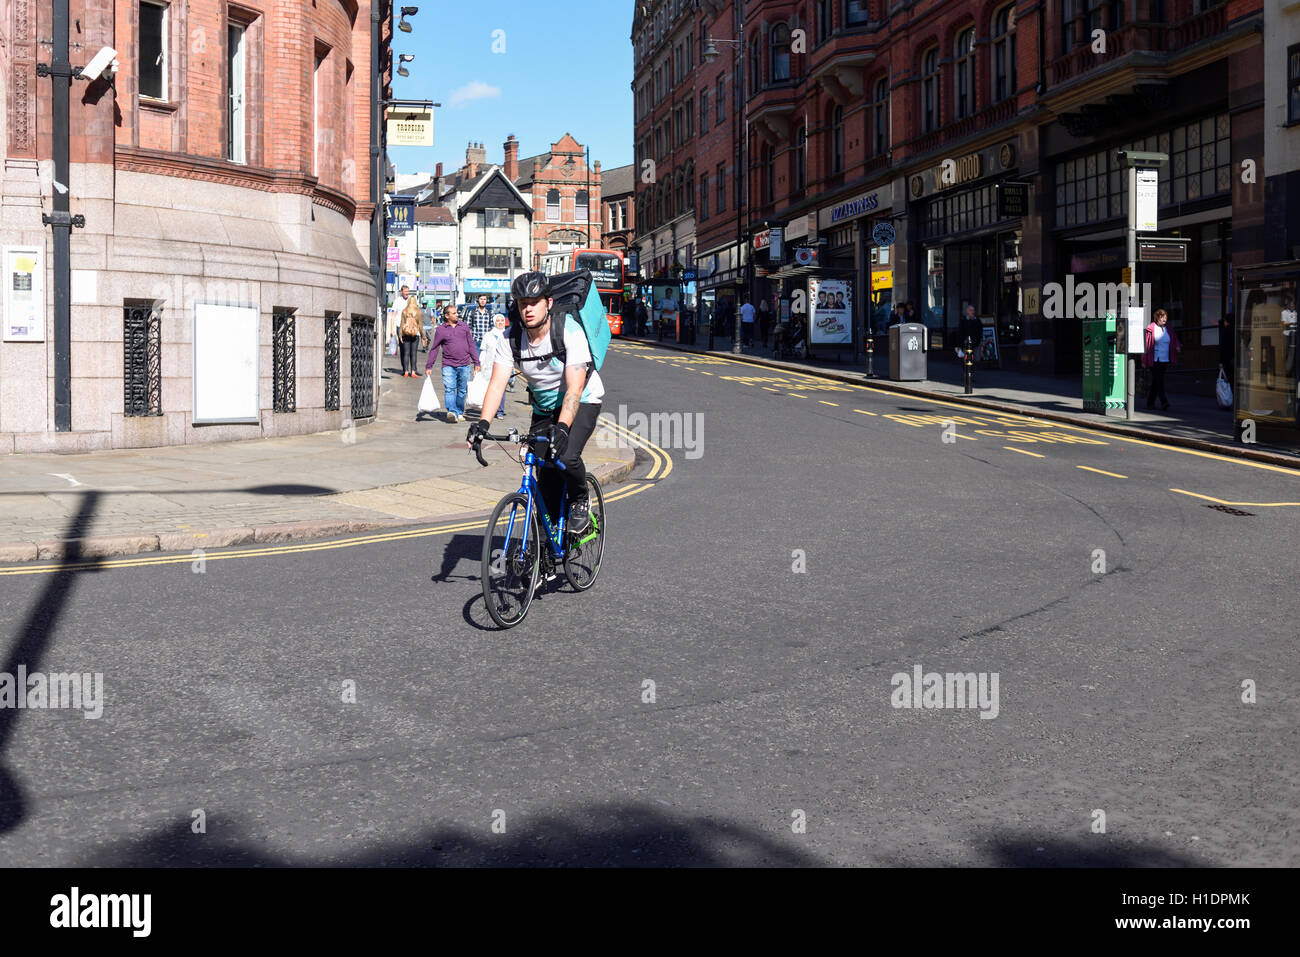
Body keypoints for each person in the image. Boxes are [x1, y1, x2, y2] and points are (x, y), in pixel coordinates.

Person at [467, 271, 605, 536]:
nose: (528, 309)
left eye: (534, 302)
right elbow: (496, 385)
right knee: (543, 476)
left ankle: (579, 499)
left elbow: (575, 389)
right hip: (543, 407)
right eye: (522, 303)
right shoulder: (509, 339)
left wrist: (563, 427)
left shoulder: (568, 331)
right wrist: (482, 424)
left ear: (548, 303)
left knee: (565, 455)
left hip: (583, 399)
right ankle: (546, 554)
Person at [425, 303, 481, 423]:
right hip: (448, 365)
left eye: (457, 312)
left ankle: (459, 411)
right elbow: (434, 348)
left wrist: (477, 362)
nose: (457, 315)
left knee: (462, 391)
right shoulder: (441, 330)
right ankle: (452, 411)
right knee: (449, 389)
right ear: (447, 316)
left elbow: (471, 345)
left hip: (465, 364)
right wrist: (429, 365)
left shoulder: (464, 327)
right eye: (454, 313)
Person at [1142, 307, 1181, 410]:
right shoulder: (1151, 328)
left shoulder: (1168, 328)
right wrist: (1143, 360)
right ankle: (1164, 402)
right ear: (1157, 318)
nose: (1164, 319)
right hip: (1154, 359)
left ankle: (1150, 403)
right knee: (1159, 381)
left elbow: (1174, 338)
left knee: (1156, 381)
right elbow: (1145, 345)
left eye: (1165, 317)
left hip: (1165, 359)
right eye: (1162, 317)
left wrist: (1177, 346)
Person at [477, 313, 511, 419]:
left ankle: (500, 411)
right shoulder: (488, 335)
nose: (500, 323)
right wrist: (480, 364)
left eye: (502, 321)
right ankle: (488, 409)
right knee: (489, 387)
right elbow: (483, 351)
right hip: (489, 365)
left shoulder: (508, 335)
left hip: (503, 365)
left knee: (502, 388)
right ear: (494, 322)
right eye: (498, 321)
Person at [398, 295, 423, 377]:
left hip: (406, 334)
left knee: (406, 353)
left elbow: (402, 324)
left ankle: (405, 371)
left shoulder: (404, 311)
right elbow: (420, 325)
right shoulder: (418, 311)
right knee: (413, 353)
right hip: (415, 335)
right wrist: (423, 336)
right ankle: (413, 372)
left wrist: (400, 335)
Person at [1218, 312, 1235, 390]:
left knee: (1228, 378)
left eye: (1225, 321)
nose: (1224, 322)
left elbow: (1223, 347)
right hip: (1234, 357)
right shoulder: (1235, 330)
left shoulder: (1225, 331)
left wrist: (1221, 362)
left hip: (1227, 359)